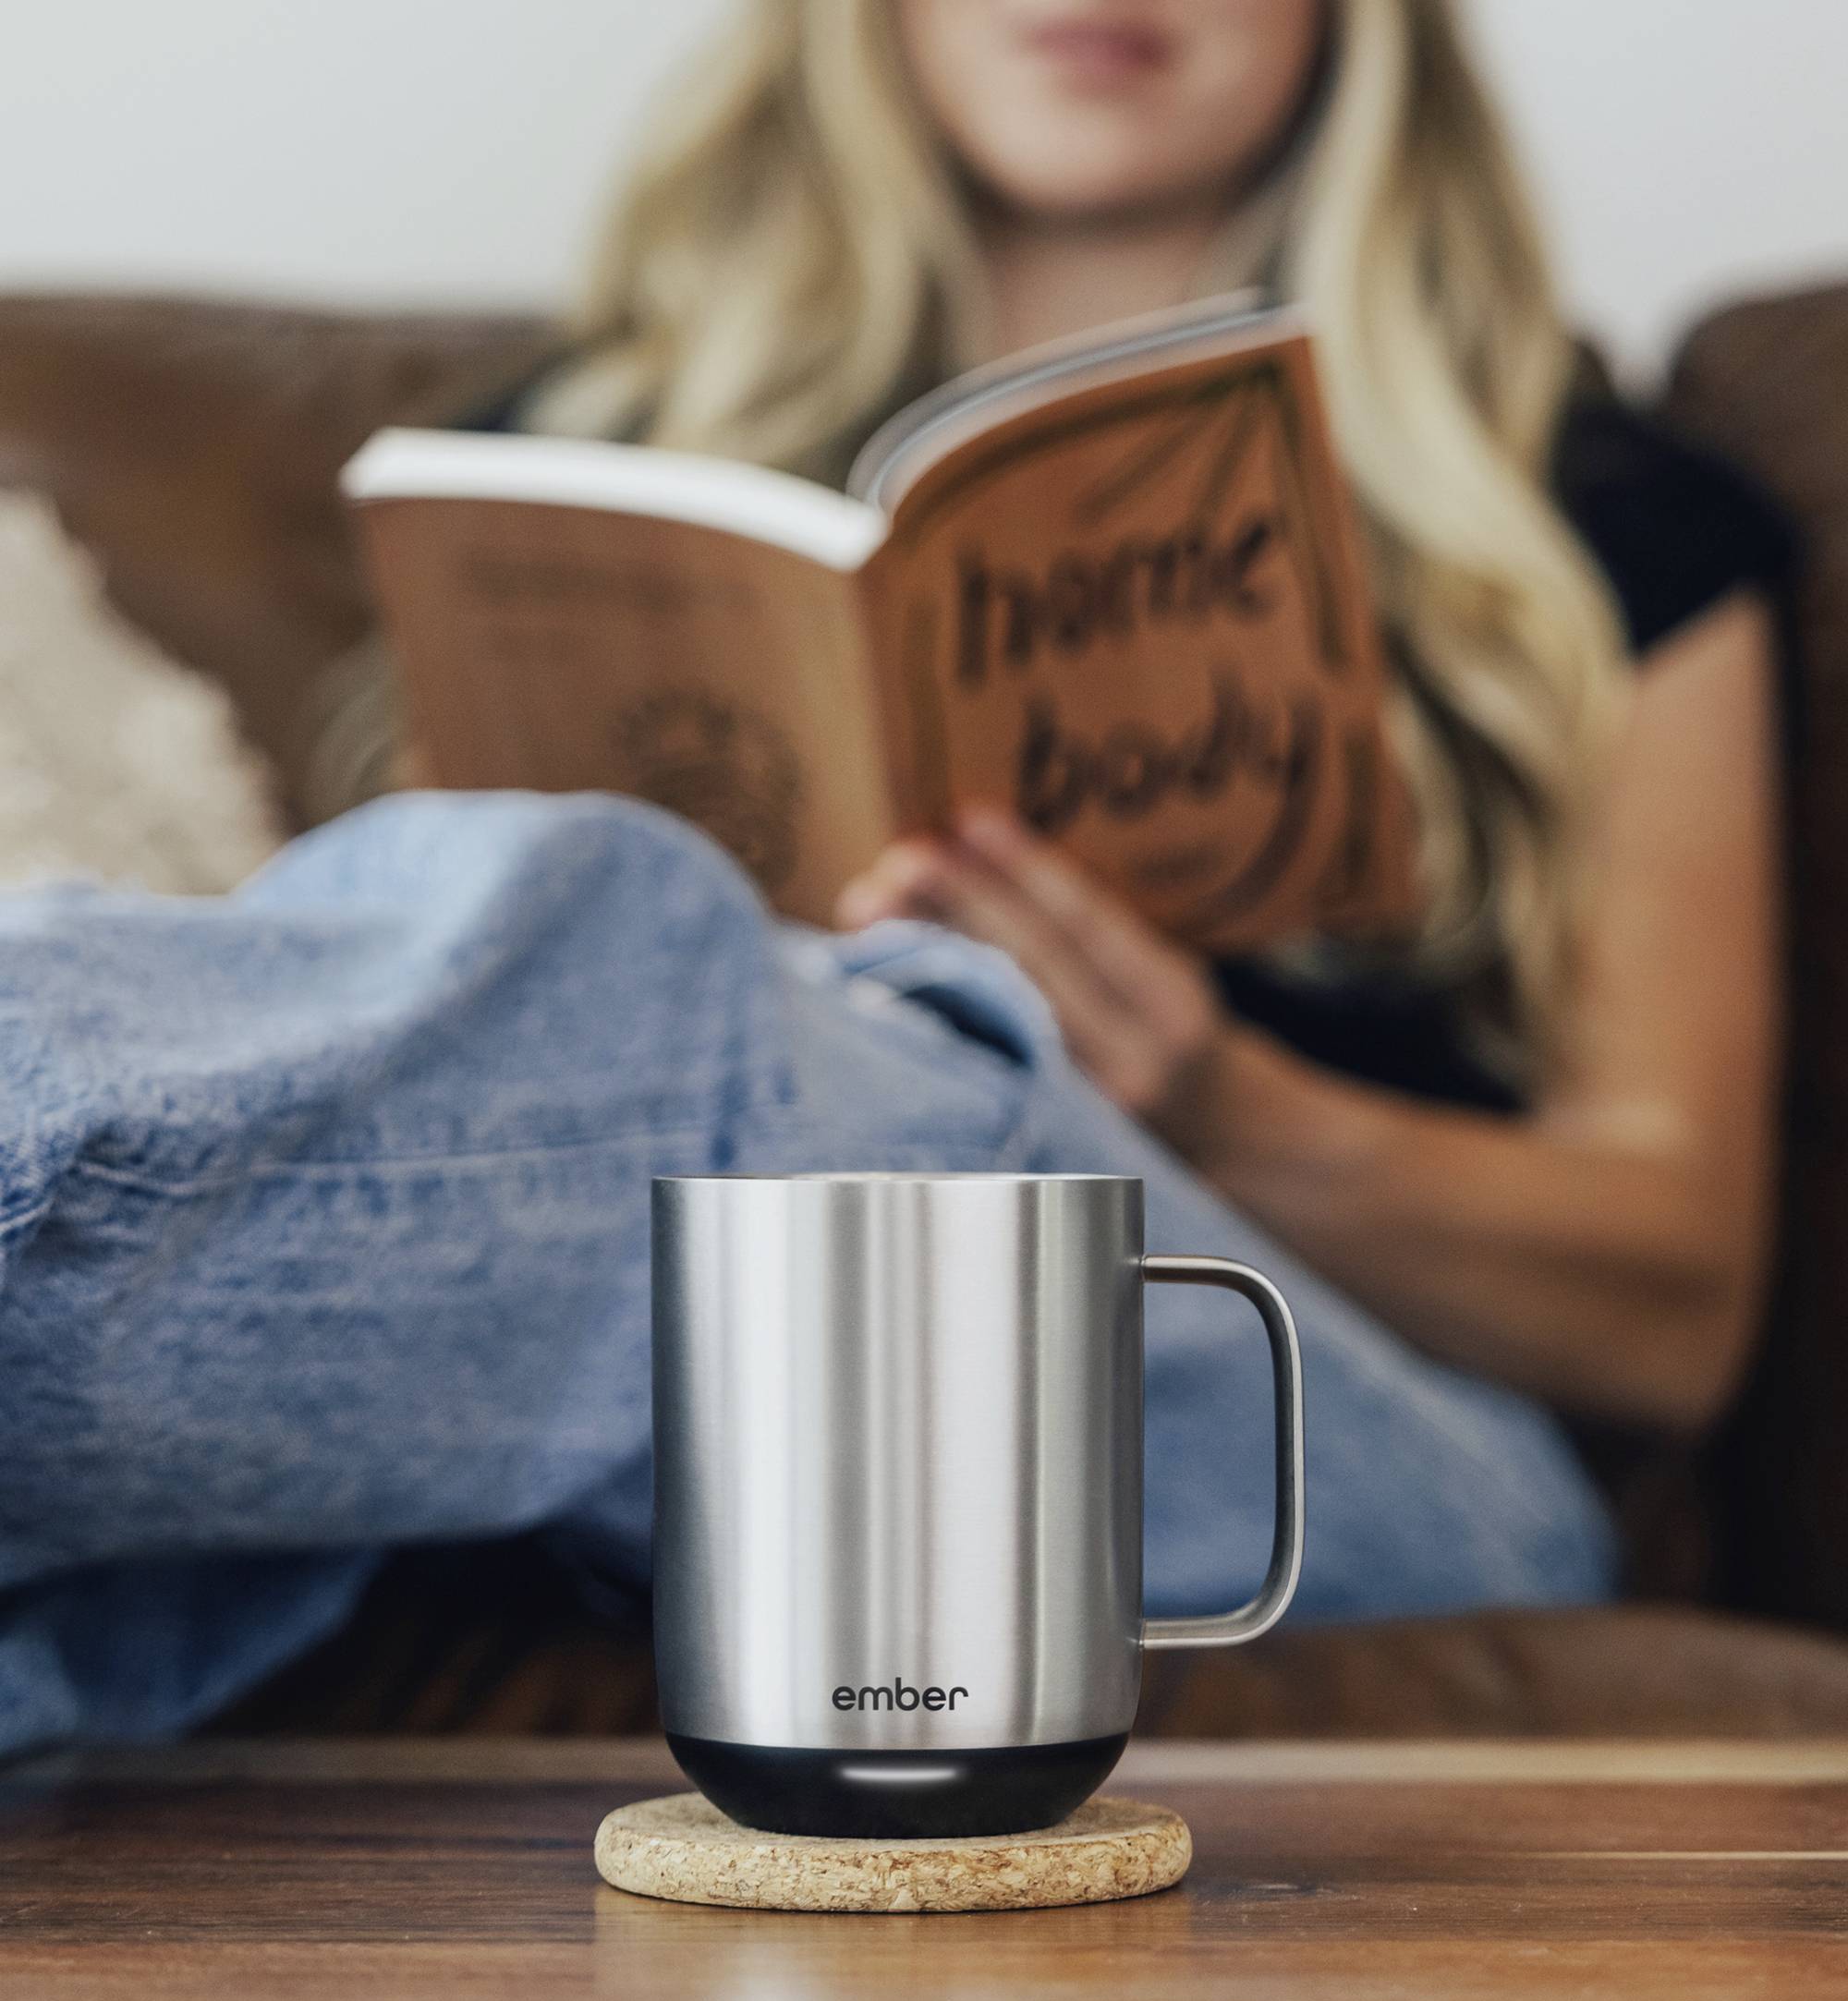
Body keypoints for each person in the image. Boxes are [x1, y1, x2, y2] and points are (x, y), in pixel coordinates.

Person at [0, 0, 1790, 1752]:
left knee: (671, 980)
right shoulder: (589, 443)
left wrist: (1219, 1105)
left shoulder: (1590, 509)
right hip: (645, 1377)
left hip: (1332, 1440)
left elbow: (1676, 1318)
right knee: (554, 971)